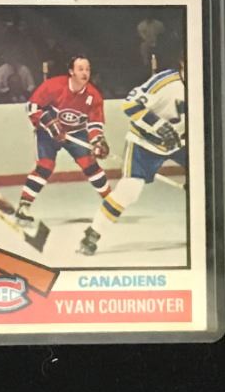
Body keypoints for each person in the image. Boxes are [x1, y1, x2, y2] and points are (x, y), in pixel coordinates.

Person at [78, 63, 187, 254]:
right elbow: (130, 104)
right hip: (144, 143)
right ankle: (93, 232)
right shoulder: (165, 82)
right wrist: (158, 125)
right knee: (129, 190)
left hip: (182, 142)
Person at [13, 56, 111, 228]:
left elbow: (95, 122)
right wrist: (49, 123)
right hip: (47, 134)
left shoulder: (93, 95)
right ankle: (24, 206)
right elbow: (31, 107)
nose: (85, 73)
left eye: (87, 69)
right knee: (45, 167)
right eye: (80, 69)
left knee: (90, 166)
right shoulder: (53, 86)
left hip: (76, 133)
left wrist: (97, 140)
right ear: (71, 71)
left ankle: (111, 204)